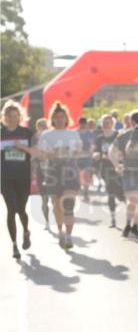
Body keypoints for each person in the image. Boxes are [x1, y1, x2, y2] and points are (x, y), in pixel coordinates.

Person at [37, 102, 82, 249]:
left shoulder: (73, 133)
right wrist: (53, 153)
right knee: (57, 205)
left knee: (69, 204)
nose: (60, 119)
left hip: (70, 169)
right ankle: (60, 231)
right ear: (52, 119)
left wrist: (70, 152)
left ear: (66, 118)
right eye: (56, 117)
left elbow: (78, 152)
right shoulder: (46, 135)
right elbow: (41, 155)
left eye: (62, 116)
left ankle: (69, 236)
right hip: (53, 170)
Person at [110, 110, 138, 239]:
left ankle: (134, 226)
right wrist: (117, 164)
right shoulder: (124, 135)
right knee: (133, 200)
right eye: (137, 121)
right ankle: (128, 223)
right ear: (131, 122)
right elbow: (112, 151)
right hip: (130, 171)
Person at [2, 101, 35, 260]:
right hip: (5, 177)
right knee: (11, 210)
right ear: (4, 117)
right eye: (9, 116)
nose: (12, 119)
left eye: (15, 116)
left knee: (21, 209)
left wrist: (22, 148)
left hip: (23, 177)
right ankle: (14, 245)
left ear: (19, 117)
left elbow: (35, 152)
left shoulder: (27, 133)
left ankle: (26, 231)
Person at [92, 114, 124, 228]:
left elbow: (123, 151)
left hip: (119, 167)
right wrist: (97, 155)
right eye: (104, 122)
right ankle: (113, 218)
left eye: (108, 122)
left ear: (113, 123)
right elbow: (95, 152)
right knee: (110, 191)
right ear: (101, 124)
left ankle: (130, 213)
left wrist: (118, 157)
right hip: (106, 168)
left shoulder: (118, 135)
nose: (106, 124)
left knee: (121, 193)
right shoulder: (99, 138)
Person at [32, 118, 51, 229]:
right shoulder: (34, 139)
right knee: (44, 198)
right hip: (40, 169)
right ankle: (47, 221)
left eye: (45, 125)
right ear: (37, 127)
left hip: (53, 170)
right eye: (41, 125)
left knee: (55, 197)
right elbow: (31, 155)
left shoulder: (52, 137)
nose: (44, 127)